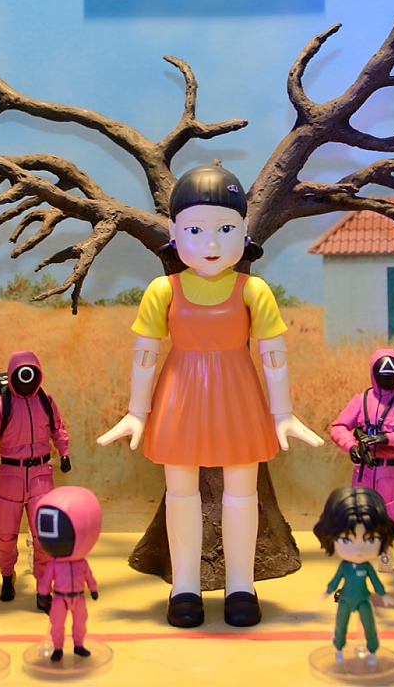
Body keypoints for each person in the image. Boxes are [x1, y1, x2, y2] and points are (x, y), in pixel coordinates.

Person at [98, 162, 323, 628]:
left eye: (225, 228)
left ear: (244, 232)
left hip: (238, 395)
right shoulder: (163, 290)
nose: (212, 243)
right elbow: (145, 354)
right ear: (174, 235)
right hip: (179, 396)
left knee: (242, 493)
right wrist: (137, 411)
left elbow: (274, 354)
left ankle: (242, 584)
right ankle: (185, 586)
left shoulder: (253, 290)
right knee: (181, 493)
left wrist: (283, 412)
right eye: (195, 230)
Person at [330, 348, 394, 605]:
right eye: (382, 373)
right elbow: (339, 427)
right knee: (356, 532)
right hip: (364, 474)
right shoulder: (361, 400)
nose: (387, 378)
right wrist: (352, 446)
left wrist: (388, 438)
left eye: (392, 373)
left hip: (392, 476)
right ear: (373, 374)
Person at [0, 351, 71, 603]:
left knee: (44, 535)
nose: (26, 380)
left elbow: (58, 429)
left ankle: (43, 588)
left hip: (41, 476)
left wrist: (64, 453)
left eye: (32, 374)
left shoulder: (45, 401)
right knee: (5, 536)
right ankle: (7, 576)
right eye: (21, 374)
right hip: (10, 477)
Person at [314, 486, 394, 666]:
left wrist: (383, 594)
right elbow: (336, 580)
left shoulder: (366, 567)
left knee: (370, 627)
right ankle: (338, 649)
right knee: (340, 626)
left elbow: (375, 581)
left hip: (363, 600)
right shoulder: (345, 566)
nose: (358, 549)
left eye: (370, 539)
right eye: (346, 540)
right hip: (345, 600)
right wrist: (328, 591)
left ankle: (372, 650)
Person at [34, 486, 102, 662]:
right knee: (57, 624)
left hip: (78, 597)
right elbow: (46, 579)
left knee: (80, 622)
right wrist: (43, 593)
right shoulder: (54, 564)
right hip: (59, 598)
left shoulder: (81, 563)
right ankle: (58, 648)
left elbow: (89, 576)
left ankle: (79, 645)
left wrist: (93, 588)